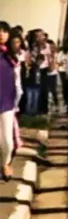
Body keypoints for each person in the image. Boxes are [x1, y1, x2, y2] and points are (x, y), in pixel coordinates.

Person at [0, 21, 21, 181]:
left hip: (7, 102)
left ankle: (5, 163)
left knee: (7, 140)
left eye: (5, 31)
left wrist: (17, 100)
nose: (2, 34)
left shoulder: (11, 56)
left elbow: (17, 80)